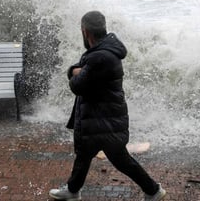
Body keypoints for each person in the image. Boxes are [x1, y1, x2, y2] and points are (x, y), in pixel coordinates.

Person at [49, 11, 166, 201]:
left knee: (121, 160)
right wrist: (75, 70)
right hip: (100, 118)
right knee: (83, 156)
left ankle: (153, 190)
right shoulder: (103, 52)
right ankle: (72, 190)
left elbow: (77, 86)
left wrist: (73, 72)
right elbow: (81, 71)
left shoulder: (100, 57)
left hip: (104, 121)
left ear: (86, 32)